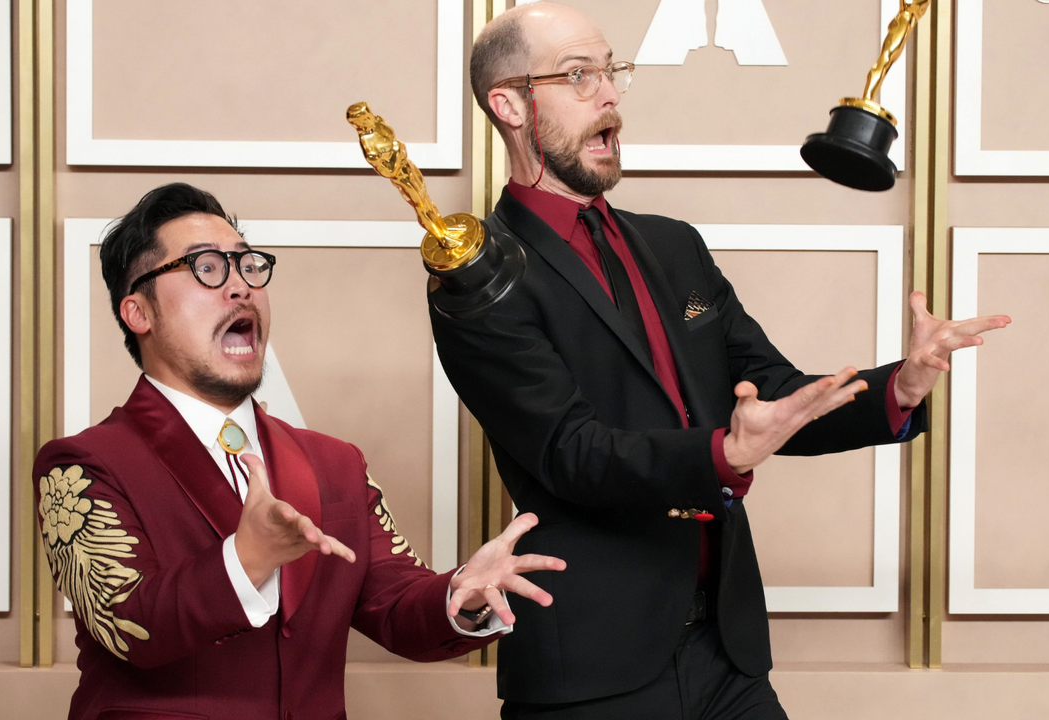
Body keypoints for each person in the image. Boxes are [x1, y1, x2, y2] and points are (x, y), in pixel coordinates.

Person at [430, 4, 1011, 719]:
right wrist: (722, 453)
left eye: (612, 72)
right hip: (591, 670)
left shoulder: (674, 246)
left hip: (727, 656)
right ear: (510, 104)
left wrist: (900, 384)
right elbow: (570, 452)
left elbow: (774, 394)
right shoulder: (480, 277)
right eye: (579, 76)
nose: (610, 94)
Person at [33, 182, 565, 720]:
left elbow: (395, 605)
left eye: (248, 266)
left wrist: (462, 595)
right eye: (207, 268)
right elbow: (129, 625)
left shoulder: (335, 463)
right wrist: (246, 558)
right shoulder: (83, 465)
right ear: (137, 312)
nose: (240, 287)